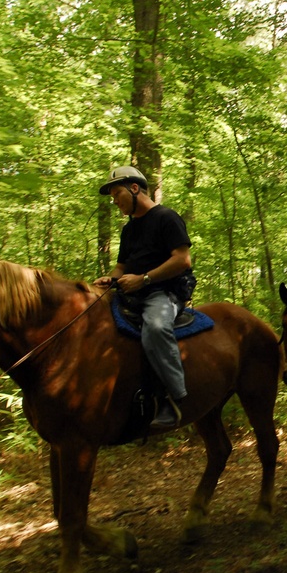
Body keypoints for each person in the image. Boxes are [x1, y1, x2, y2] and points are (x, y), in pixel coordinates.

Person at [94, 166, 195, 429]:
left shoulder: (166, 218)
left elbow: (183, 260)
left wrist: (145, 279)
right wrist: (110, 279)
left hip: (165, 292)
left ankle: (173, 397)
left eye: (117, 194)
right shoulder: (129, 230)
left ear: (134, 188)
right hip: (132, 293)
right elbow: (121, 267)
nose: (114, 201)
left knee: (157, 327)